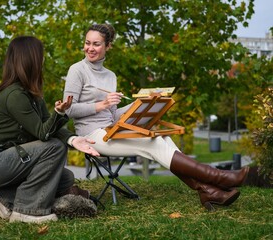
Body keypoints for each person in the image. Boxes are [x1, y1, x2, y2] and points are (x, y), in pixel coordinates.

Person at [63, 23, 250, 211]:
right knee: (153, 142)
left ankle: (207, 191)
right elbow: (69, 110)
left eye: (96, 44)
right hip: (91, 136)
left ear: (108, 46)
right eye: (87, 43)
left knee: (164, 137)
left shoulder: (111, 76)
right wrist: (101, 104)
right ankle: (219, 178)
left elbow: (112, 116)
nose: (90, 48)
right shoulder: (77, 70)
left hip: (111, 129)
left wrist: (142, 102)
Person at [0, 36, 100, 224]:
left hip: (9, 158)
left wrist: (73, 140)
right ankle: (27, 211)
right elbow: (43, 133)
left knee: (65, 178)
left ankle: (5, 198)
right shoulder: (15, 95)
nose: (44, 60)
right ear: (30, 59)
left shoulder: (31, 94)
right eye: (42, 56)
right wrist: (58, 112)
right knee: (54, 147)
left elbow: (48, 124)